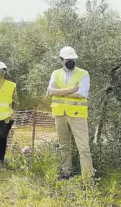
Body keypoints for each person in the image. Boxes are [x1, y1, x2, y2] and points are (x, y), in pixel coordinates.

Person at [47, 46, 94, 179]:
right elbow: (50, 91)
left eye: (73, 59)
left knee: (83, 147)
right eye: (68, 59)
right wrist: (71, 90)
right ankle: (66, 172)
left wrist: (60, 92)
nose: (71, 61)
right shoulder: (55, 73)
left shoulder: (84, 73)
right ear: (61, 60)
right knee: (64, 145)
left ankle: (87, 177)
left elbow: (81, 94)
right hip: (60, 114)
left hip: (77, 115)